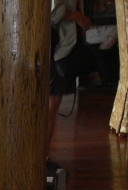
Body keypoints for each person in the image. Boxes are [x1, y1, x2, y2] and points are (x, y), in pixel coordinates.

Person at [47, 0, 97, 149]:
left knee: (52, 105)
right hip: (56, 49)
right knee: (50, 106)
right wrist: (76, 16)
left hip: (64, 49)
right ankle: (40, 157)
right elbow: (50, 15)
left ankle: (43, 156)